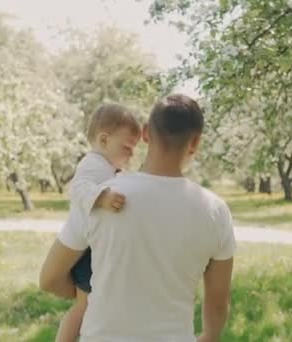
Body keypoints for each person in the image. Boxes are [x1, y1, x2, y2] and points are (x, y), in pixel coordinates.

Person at [40, 94, 236, 341]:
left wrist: (98, 294)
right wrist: (210, 336)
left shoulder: (101, 198)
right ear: (195, 143)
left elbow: (50, 279)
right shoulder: (215, 211)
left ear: (144, 133)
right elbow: (218, 301)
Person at [54, 103, 141, 342]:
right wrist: (102, 198)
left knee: (92, 305)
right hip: (84, 252)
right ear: (104, 140)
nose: (131, 154)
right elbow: (79, 188)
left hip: (95, 246)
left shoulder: (107, 167)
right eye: (127, 147)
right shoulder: (92, 163)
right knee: (83, 307)